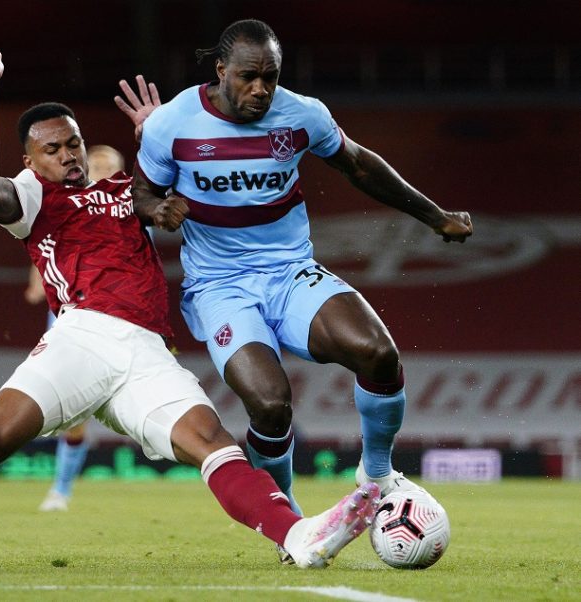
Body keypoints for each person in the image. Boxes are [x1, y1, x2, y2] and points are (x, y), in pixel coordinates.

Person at [0, 16, 379, 570]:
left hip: (149, 351)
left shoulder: (123, 189)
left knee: (212, 442)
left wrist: (163, 132)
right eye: (52, 150)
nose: (68, 155)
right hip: (82, 337)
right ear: (30, 161)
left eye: (74, 143)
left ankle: (300, 536)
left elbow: (191, 171)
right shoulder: (32, 201)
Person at [131, 18, 472, 548]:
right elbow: (140, 194)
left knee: (378, 353)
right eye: (248, 77)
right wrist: (160, 209)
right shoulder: (170, 124)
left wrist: (435, 216)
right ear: (221, 71)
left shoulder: (302, 114)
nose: (261, 89)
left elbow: (359, 166)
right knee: (269, 403)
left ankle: (377, 474)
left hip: (290, 272)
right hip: (221, 287)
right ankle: (289, 520)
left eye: (270, 76)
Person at [32, 144, 127, 512]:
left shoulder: (130, 209)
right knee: (73, 415)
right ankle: (60, 490)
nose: (101, 169)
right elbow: (43, 242)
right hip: (71, 316)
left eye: (109, 165)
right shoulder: (67, 206)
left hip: (120, 317)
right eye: (96, 163)